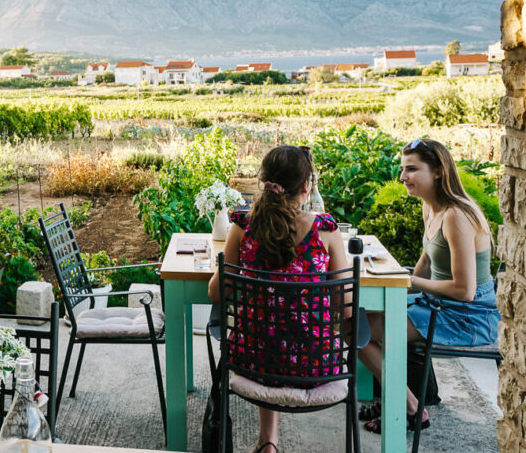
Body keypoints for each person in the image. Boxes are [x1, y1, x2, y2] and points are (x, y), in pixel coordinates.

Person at [208, 145, 350, 453]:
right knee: (290, 329)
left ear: (264, 181)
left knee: (268, 331)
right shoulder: (325, 231)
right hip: (315, 364)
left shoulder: (242, 227)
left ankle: (268, 443)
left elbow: (218, 293)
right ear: (305, 186)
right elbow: (345, 306)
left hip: (254, 360)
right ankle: (268, 441)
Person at [358, 138, 499, 433]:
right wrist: (395, 286)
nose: (402, 177)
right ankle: (395, 396)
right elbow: (424, 265)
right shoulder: (431, 208)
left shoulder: (456, 216)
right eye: (402, 169)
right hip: (439, 305)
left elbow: (466, 290)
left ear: (437, 171)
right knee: (358, 318)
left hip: (467, 315)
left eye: (411, 169)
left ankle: (409, 406)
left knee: (356, 330)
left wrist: (411, 282)